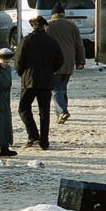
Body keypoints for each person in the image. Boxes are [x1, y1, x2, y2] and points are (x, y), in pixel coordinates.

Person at [16, 13, 63, 149]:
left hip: (29, 80)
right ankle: (44, 141)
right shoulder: (52, 41)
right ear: (44, 27)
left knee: (23, 108)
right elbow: (60, 60)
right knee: (44, 111)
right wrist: (51, 70)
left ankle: (33, 135)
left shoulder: (27, 40)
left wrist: (22, 73)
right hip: (47, 80)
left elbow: (18, 60)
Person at [45, 5, 85, 123]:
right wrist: (80, 61)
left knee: (56, 88)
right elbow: (79, 45)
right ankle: (60, 113)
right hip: (68, 61)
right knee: (62, 87)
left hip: (53, 62)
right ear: (64, 14)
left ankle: (62, 111)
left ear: (53, 14)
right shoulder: (72, 26)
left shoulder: (48, 25)